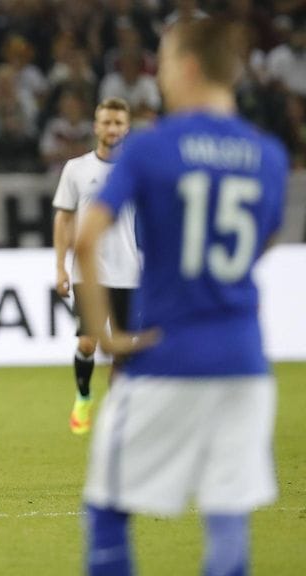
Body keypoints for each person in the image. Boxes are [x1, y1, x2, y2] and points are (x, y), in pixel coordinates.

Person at [75, 17, 288, 576]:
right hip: (244, 360)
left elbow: (87, 237)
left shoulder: (150, 149)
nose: (160, 76)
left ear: (189, 67)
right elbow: (264, 240)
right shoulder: (270, 155)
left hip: (165, 356)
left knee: (107, 509)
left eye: (164, 63)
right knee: (226, 519)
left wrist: (110, 335)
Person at [52, 97, 138, 435]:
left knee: (122, 351)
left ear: (126, 127)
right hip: (91, 272)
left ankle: (119, 416)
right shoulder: (76, 169)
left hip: (131, 272)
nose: (112, 129)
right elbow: (64, 218)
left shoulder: (137, 169)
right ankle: (84, 396)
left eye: (118, 123)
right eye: (107, 122)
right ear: (96, 126)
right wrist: (60, 266)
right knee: (88, 343)